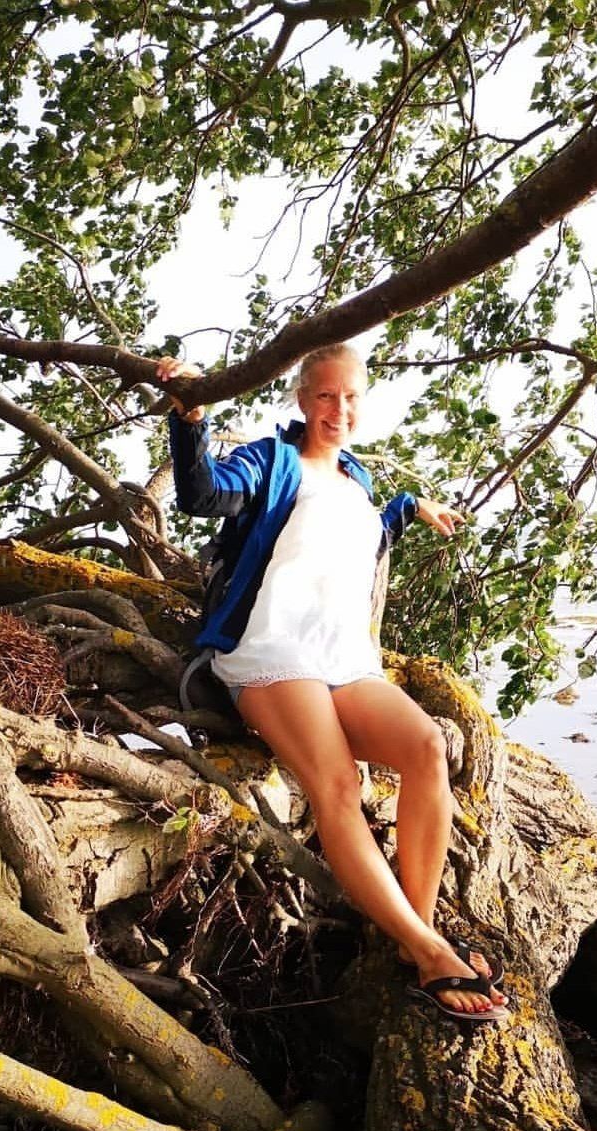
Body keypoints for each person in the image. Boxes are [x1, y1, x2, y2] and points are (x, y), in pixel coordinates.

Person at [156, 345, 507, 1023]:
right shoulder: (271, 461)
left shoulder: (357, 479)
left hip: (343, 659)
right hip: (271, 649)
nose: (338, 409)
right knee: (338, 784)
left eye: (350, 397)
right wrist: (190, 417)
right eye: (325, 395)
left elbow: (353, 541)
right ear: (301, 399)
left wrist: (410, 507)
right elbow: (204, 495)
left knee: (427, 748)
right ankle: (428, 950)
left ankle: (414, 931)